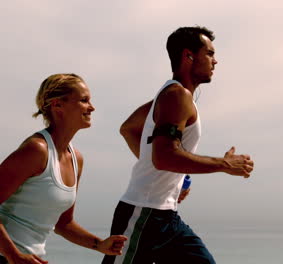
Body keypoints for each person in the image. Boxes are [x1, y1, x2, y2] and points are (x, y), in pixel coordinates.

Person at [102, 26, 254, 264]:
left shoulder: (170, 95)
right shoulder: (176, 96)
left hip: (166, 216)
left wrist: (177, 176)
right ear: (188, 56)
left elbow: (129, 129)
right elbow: (163, 156)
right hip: (143, 213)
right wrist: (224, 164)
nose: (216, 61)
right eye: (210, 53)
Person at [0, 73, 127, 264]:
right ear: (58, 105)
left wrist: (99, 244)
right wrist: (13, 255)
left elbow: (63, 224)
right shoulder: (36, 150)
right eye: (84, 101)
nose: (91, 107)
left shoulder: (76, 159)